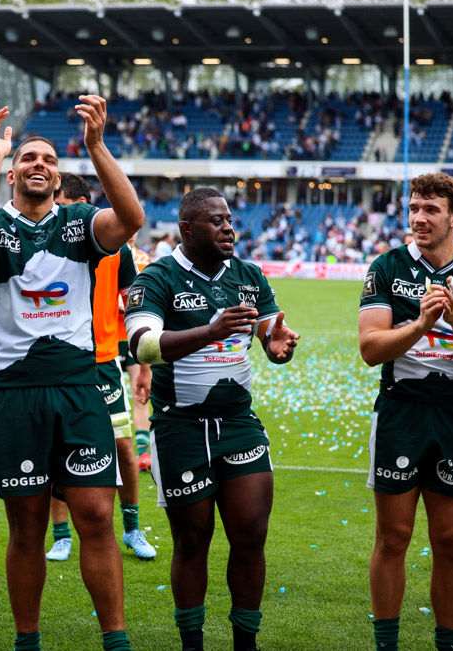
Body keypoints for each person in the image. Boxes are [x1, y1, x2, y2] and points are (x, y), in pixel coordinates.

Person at [0, 96, 144, 651]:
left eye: (49, 159)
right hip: (13, 395)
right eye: (29, 158)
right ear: (15, 172)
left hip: (79, 390)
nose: (40, 164)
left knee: (94, 515)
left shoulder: (81, 223)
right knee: (29, 525)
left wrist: (97, 145)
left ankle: (117, 639)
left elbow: (130, 219)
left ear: (59, 175)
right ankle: (27, 640)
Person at [125, 187, 300, 651]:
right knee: (192, 540)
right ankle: (192, 644)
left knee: (250, 536)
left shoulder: (248, 275)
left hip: (239, 424)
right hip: (179, 428)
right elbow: (141, 345)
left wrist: (275, 343)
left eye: (229, 220)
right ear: (187, 228)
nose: (228, 228)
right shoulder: (157, 277)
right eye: (216, 221)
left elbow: (267, 328)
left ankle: (246, 643)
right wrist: (211, 331)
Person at [358, 172, 453, 651]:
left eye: (431, 210)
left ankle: (449, 645)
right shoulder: (387, 266)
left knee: (449, 543)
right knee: (393, 537)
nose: (419, 218)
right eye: (414, 208)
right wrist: (422, 323)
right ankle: (387, 645)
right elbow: (370, 347)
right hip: (401, 412)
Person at [44, 172, 155, 564]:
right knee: (58, 451)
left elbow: (137, 306)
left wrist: (142, 364)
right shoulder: (45, 242)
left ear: (79, 204)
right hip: (57, 361)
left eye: (60, 204)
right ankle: (60, 537)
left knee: (124, 448)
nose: (54, 211)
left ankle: (132, 528)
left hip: (104, 362)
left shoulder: (116, 249)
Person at [122, 231, 153, 470]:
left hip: (132, 335)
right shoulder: (102, 252)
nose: (131, 234)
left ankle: (143, 453)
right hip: (107, 335)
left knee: (139, 391)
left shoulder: (144, 259)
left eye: (135, 229)